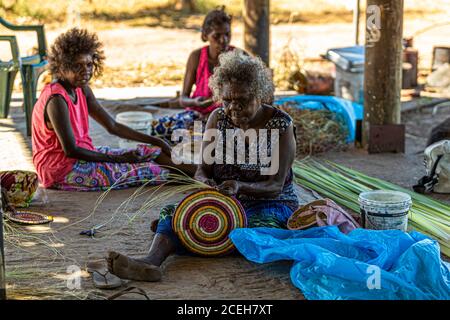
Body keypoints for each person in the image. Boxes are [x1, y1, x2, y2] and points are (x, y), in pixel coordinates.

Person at [107, 51, 299, 282]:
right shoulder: (218, 119)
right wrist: (205, 182)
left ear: (260, 95)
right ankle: (151, 262)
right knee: (172, 212)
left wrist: (240, 186)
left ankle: (185, 238)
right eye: (227, 100)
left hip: (271, 203)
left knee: (254, 229)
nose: (233, 109)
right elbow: (202, 170)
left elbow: (275, 186)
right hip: (225, 200)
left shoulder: (280, 125)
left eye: (243, 101)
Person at [31, 28, 196, 191]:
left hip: (85, 155)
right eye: (77, 66)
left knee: (153, 152)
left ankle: (202, 174)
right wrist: (118, 159)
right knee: (154, 170)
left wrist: (155, 140)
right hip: (61, 170)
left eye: (89, 64)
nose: (86, 71)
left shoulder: (81, 89)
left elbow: (113, 126)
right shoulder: (56, 99)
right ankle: (198, 179)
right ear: (61, 67)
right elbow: (71, 150)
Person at [150, 6, 238, 141]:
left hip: (226, 116)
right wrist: (195, 102)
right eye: (217, 36)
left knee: (217, 136)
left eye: (227, 34)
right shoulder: (196, 57)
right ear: (205, 36)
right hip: (197, 114)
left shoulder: (239, 57)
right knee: (157, 128)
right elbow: (183, 99)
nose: (223, 40)